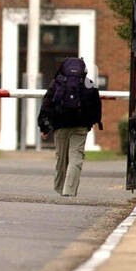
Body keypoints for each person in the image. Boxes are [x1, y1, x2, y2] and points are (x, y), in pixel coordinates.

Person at [39, 57, 103, 197]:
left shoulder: (56, 84)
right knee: (76, 157)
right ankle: (69, 190)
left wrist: (44, 127)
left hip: (60, 125)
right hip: (80, 127)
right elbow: (96, 107)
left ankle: (60, 187)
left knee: (61, 158)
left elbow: (46, 105)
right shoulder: (89, 85)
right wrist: (91, 123)